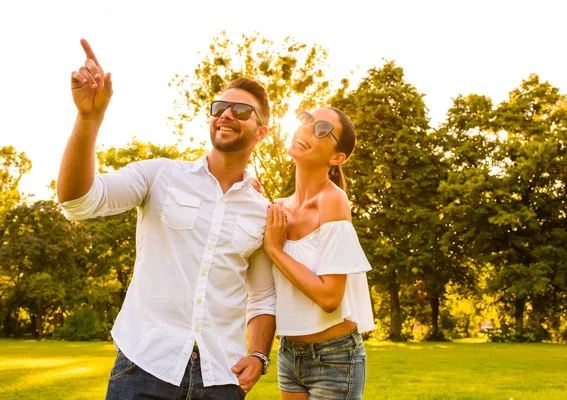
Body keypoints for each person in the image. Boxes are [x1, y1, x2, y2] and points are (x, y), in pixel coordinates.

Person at [58, 39, 276, 399]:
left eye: (240, 110)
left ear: (262, 131)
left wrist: (258, 354)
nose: (225, 114)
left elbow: (263, 297)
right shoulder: (159, 176)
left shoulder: (263, 211)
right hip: (145, 366)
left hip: (222, 378)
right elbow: (78, 201)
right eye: (220, 106)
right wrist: (88, 118)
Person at [263, 107, 375, 399]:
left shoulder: (333, 201)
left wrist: (275, 249)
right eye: (306, 119)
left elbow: (329, 297)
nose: (306, 128)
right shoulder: (279, 207)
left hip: (335, 357)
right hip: (290, 352)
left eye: (322, 128)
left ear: (337, 158)